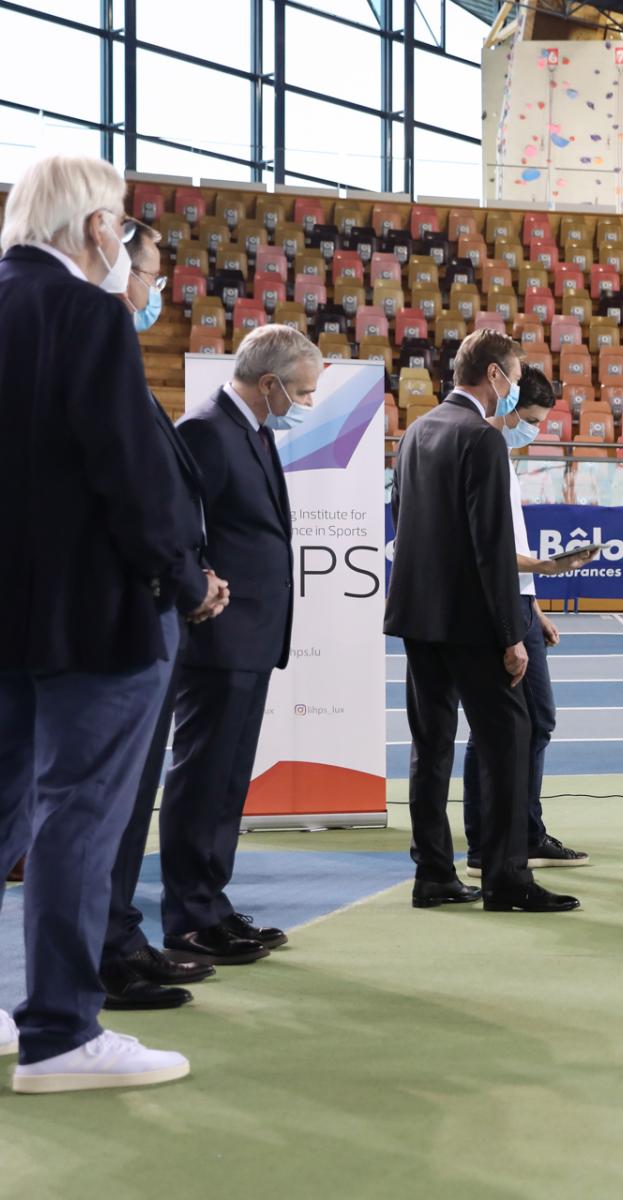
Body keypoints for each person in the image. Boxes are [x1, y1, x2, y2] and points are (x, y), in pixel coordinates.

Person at [0, 154, 224, 1092]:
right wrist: (179, 574)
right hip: (95, 613)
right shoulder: (84, 312)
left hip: (9, 610)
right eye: (125, 224)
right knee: (78, 818)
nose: (127, 240)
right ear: (96, 228)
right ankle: (60, 1030)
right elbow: (127, 470)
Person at [386, 329, 580, 914]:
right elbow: (489, 548)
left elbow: (412, 531)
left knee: (432, 747)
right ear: (494, 375)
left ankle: (434, 874)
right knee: (507, 737)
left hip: (420, 619)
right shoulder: (482, 440)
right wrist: (510, 635)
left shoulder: (416, 432)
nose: (517, 385)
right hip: (473, 623)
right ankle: (506, 877)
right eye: (515, 375)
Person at [158, 325, 314, 964]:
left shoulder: (252, 430)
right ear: (270, 383)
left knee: (226, 783)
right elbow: (178, 528)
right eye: (301, 391)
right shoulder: (206, 429)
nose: (306, 403)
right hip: (217, 635)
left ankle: (211, 904)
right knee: (202, 778)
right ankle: (189, 917)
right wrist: (201, 589)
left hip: (250, 638)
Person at [100, 219, 223, 1009]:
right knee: (100, 805)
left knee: (121, 803)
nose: (156, 292)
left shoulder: (118, 363)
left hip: (143, 609)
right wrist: (185, 580)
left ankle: (117, 937)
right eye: (148, 273)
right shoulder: (91, 352)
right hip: (118, 616)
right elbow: (129, 495)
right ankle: (102, 958)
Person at [461, 366, 597, 878]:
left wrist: (534, 605)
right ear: (508, 401)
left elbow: (509, 538)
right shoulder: (480, 449)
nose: (535, 430)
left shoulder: (504, 456)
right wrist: (538, 573)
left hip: (518, 602)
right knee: (493, 728)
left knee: (536, 721)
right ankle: (484, 843)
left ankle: (525, 830)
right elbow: (486, 547)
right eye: (533, 419)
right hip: (494, 605)